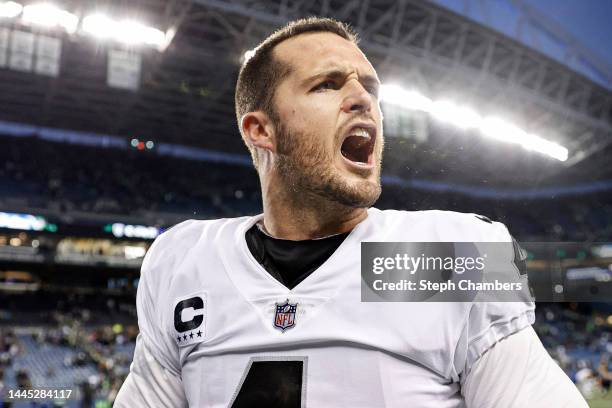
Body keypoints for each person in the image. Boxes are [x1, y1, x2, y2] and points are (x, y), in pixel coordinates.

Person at [115, 17, 587, 407]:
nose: (364, 99)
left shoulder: (444, 254)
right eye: (326, 84)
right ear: (261, 130)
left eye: (371, 89)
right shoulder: (182, 260)